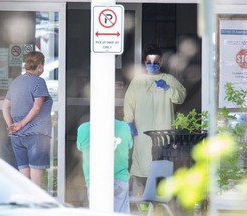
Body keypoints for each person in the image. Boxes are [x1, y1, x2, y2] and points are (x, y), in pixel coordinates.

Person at [123, 43, 186, 196]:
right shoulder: (138, 81)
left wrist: (168, 89)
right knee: (141, 166)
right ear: (145, 62)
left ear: (161, 62)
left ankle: (161, 203)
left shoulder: (168, 79)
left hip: (164, 133)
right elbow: (128, 102)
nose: (152, 65)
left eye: (156, 62)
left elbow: (181, 97)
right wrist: (129, 122)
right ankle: (142, 201)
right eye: (149, 62)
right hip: (142, 133)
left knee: (162, 167)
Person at [2, 51, 53, 187]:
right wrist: (21, 124)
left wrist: (12, 125)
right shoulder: (38, 82)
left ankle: (27, 206)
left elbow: (5, 106)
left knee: (25, 183)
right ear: (40, 66)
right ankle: (36, 208)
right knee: (36, 183)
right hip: (36, 135)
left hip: (17, 137)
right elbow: (37, 107)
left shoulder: (16, 82)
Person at [76, 118, 133, 214]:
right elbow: (130, 145)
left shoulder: (83, 128)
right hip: (120, 179)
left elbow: (79, 147)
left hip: (94, 181)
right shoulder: (124, 127)